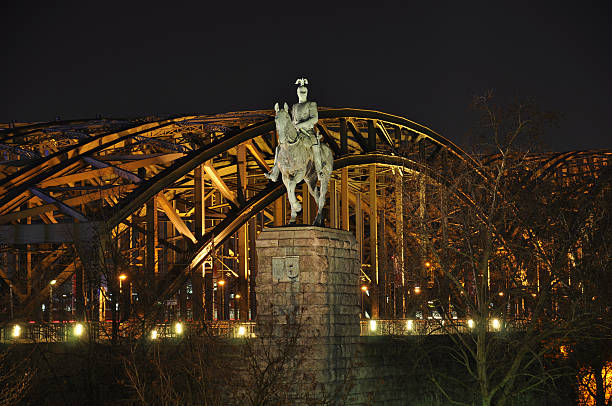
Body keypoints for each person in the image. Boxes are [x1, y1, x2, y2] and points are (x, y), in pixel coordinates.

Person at [266, 78, 323, 182]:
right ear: (297, 93)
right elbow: (292, 120)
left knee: (316, 147)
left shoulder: (311, 104)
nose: (302, 94)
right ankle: (274, 172)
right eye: (300, 92)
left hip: (308, 132)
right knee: (279, 147)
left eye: (304, 92)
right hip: (296, 132)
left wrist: (300, 124)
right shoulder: (295, 106)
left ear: (306, 92)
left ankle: (319, 171)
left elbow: (315, 119)